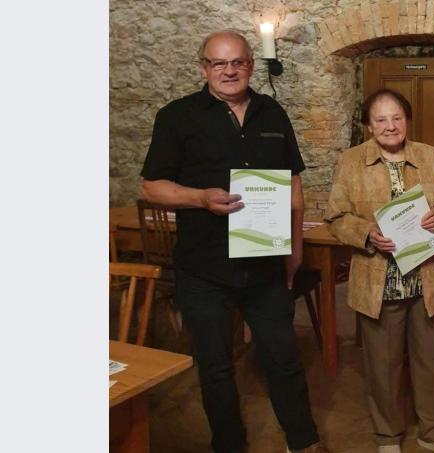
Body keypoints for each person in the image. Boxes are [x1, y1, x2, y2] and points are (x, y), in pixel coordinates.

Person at [139, 30, 328, 453]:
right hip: (204, 267)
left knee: (283, 359)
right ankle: (229, 445)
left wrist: (295, 248)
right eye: (219, 63)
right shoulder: (176, 116)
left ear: (250, 65)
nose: (229, 71)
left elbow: (293, 183)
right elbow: (152, 187)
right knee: (216, 367)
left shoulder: (272, 112)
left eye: (238, 62)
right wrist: (200, 198)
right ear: (203, 68)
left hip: (265, 263)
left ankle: (304, 441)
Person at [324, 89, 434, 453]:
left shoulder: (430, 157)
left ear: (407, 120)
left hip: (426, 276)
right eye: (381, 119)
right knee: (383, 365)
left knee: (431, 359)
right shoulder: (351, 161)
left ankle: (432, 430)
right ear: (368, 126)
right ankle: (388, 436)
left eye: (397, 117)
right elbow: (336, 216)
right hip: (378, 280)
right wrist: (367, 232)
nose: (390, 126)